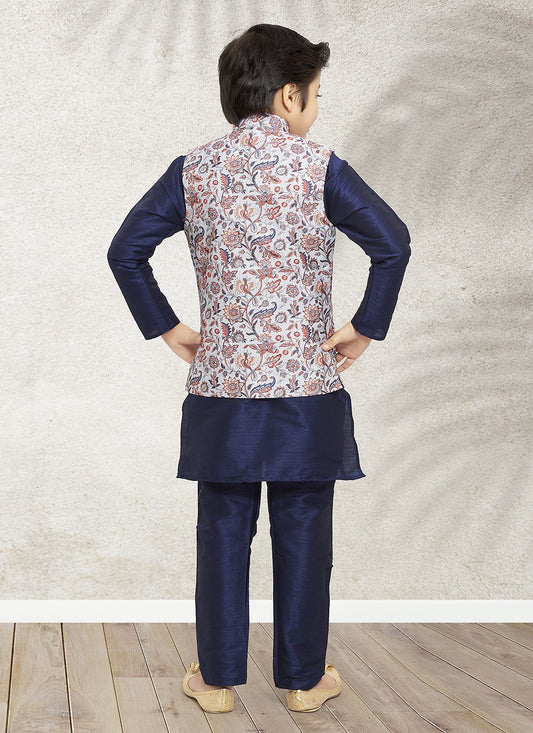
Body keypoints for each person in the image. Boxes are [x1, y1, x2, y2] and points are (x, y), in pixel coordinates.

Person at [107, 23, 411, 714]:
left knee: (221, 535)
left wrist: (169, 328)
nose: (315, 107)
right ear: (288, 96)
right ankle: (303, 681)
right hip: (306, 392)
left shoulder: (192, 170)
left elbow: (125, 251)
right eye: (315, 95)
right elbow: (392, 244)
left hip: (222, 390)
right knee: (304, 535)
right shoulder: (321, 167)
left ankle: (215, 681)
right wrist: (365, 326)